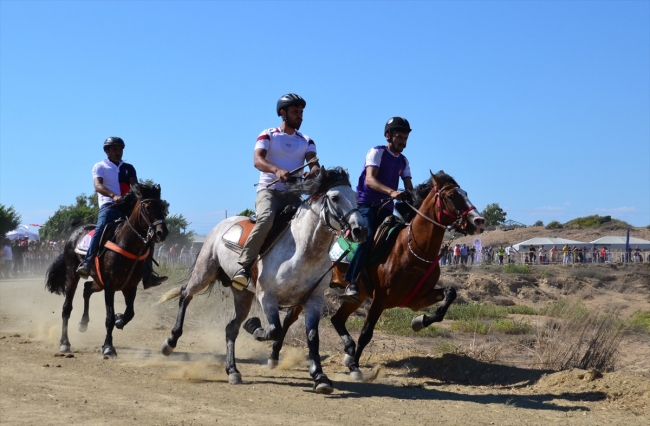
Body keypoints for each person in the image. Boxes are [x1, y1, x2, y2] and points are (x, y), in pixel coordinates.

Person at [232, 94, 320, 290]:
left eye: (301, 112)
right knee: (266, 219)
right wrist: (276, 170)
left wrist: (312, 173)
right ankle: (244, 267)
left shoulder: (307, 140)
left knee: (314, 222)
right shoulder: (268, 134)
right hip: (269, 192)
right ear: (283, 113)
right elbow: (258, 160)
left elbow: (314, 164)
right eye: (295, 112)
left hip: (294, 194)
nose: (300, 116)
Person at [75, 137, 167, 289]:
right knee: (100, 230)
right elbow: (97, 186)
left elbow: (135, 187)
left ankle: (148, 274)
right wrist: (113, 196)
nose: (119, 152)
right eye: (115, 149)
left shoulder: (129, 168)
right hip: (108, 207)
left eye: (120, 149)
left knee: (148, 234)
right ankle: (87, 263)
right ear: (107, 151)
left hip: (127, 209)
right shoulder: (100, 166)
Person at [341, 117, 414, 302]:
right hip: (366, 206)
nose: (402, 141)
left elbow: (410, 188)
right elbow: (370, 180)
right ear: (388, 136)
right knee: (367, 238)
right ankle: (351, 282)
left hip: (387, 210)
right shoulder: (377, 152)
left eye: (405, 137)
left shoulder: (404, 162)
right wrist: (392, 192)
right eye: (399, 136)